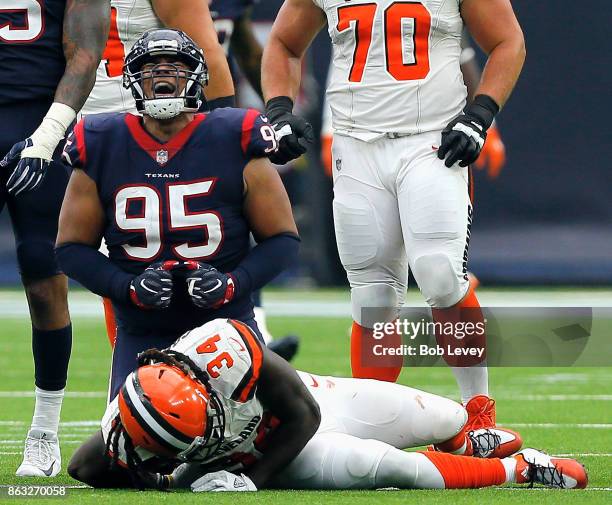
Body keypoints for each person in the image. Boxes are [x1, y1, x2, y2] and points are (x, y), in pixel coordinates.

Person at [261, 0, 526, 434]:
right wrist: (278, 109)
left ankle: (479, 414)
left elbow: (507, 41)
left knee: (440, 274)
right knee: (372, 296)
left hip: (431, 140)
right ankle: (372, 421)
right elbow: (284, 43)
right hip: (355, 142)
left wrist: (480, 115)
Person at [55, 29, 299, 401]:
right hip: (143, 328)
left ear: (198, 77)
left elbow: (282, 238)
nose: (163, 74)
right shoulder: (101, 139)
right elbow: (71, 249)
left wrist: (233, 283)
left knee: (249, 444)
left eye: (176, 65)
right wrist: (129, 288)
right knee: (122, 450)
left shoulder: (234, 133)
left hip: (226, 326)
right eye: (150, 67)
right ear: (132, 79)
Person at [66, 318, 587, 491]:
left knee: (442, 413)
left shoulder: (226, 349)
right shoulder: (134, 422)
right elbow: (85, 466)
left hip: (301, 415)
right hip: (297, 456)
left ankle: (466, 440)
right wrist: (166, 483)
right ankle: (521, 471)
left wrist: (249, 479)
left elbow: (304, 416)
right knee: (385, 467)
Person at [0, 0, 110, 477]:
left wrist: (47, 136)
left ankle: (43, 433)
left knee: (44, 279)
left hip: (37, 121)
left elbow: (85, 51)